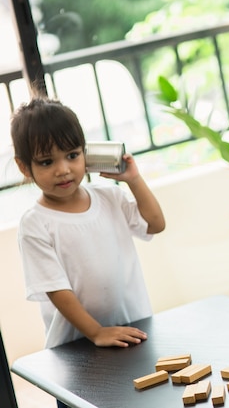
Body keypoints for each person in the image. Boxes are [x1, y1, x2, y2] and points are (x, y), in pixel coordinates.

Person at [11, 95, 165, 407]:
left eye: (72, 155)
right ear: (24, 167)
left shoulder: (110, 196)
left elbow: (155, 224)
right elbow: (56, 289)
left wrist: (133, 180)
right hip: (76, 351)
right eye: (46, 162)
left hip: (132, 332)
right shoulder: (36, 224)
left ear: (87, 152)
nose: (63, 170)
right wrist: (96, 332)